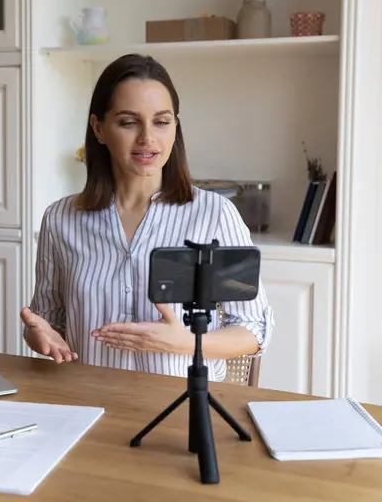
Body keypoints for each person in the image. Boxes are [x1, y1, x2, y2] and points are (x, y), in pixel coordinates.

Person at [20, 53, 274, 382]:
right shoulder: (60, 219)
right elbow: (47, 320)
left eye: (161, 121)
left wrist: (187, 343)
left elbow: (255, 331)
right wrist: (37, 336)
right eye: (128, 122)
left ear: (175, 127)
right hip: (88, 403)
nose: (147, 138)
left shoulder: (214, 215)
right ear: (99, 128)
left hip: (182, 409)